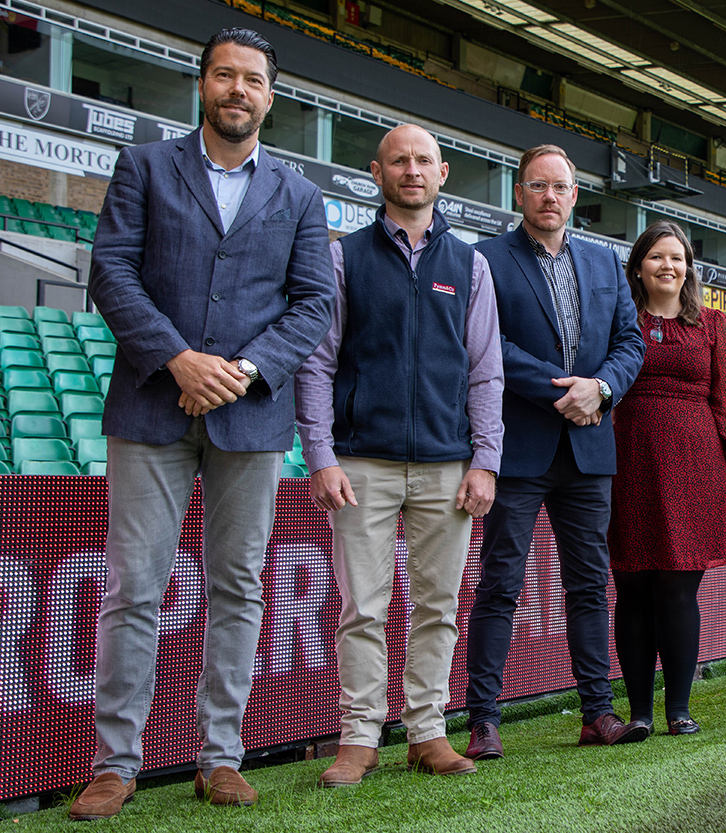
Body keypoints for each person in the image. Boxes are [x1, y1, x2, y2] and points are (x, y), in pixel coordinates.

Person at [70, 28, 334, 820]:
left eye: (253, 80)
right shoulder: (145, 167)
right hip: (153, 403)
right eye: (225, 75)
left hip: (250, 417)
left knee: (238, 587)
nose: (238, 90)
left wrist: (240, 371)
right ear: (202, 85)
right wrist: (179, 359)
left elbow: (314, 302)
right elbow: (111, 271)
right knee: (133, 589)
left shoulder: (299, 193)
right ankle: (114, 762)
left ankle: (221, 755)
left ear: (270, 96)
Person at [293, 124, 504, 787]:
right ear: (375, 173)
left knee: (438, 604)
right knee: (362, 606)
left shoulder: (470, 264)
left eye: (423, 161)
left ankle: (427, 731)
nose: (411, 170)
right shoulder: (342, 256)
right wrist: (321, 454)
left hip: (448, 462)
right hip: (362, 462)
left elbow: (486, 372)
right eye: (398, 161)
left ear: (443, 173)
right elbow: (317, 364)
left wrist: (486, 460)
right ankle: (358, 737)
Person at [463, 144, 646, 758]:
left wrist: (603, 387)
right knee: (500, 586)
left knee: (591, 585)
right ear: (519, 193)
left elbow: (629, 342)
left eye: (560, 187)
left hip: (590, 450)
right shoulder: (486, 259)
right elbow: (490, 345)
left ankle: (598, 711)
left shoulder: (603, 261)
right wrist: (561, 391)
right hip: (519, 448)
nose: (549, 196)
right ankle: (482, 718)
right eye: (537, 185)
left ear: (574, 196)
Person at [608, 221, 726, 737]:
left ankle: (679, 708)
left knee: (678, 589)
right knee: (631, 585)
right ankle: (640, 712)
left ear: (688, 267)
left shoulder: (712, 324)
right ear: (639, 266)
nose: (668, 266)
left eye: (677, 258)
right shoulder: (619, 319)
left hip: (696, 463)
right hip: (627, 460)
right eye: (656, 257)